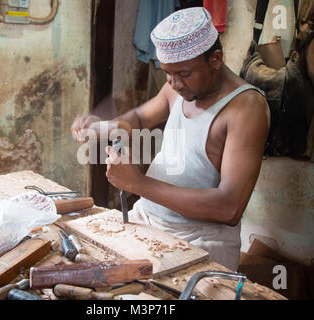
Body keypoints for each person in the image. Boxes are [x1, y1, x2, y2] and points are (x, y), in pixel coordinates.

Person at [71, 7, 270, 271]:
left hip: (200, 242)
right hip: (148, 219)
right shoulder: (180, 87)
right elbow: (141, 119)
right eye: (167, 73)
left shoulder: (245, 109)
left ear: (216, 59)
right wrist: (103, 127)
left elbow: (229, 208)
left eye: (183, 74)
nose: (174, 83)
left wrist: (138, 183)